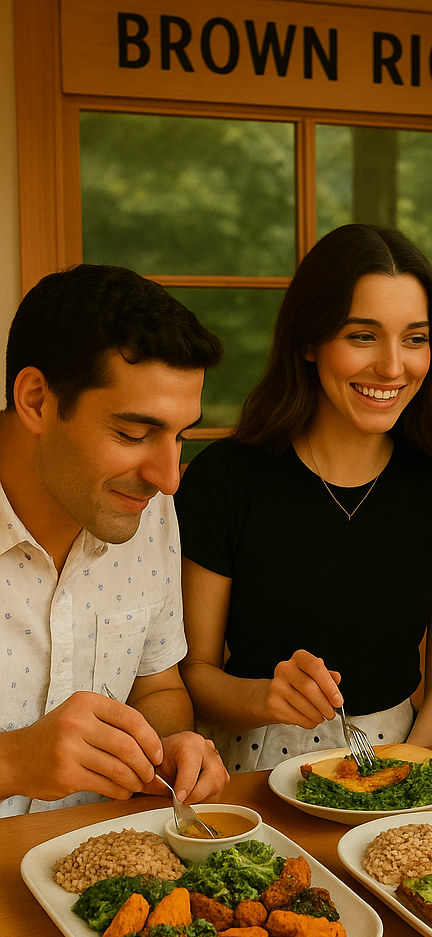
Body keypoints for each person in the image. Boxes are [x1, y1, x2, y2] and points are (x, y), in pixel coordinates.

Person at [174, 224, 432, 773]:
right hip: (248, 763)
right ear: (308, 341)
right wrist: (264, 698)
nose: (393, 367)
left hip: (398, 756)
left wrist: (404, 777)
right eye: (362, 336)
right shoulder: (225, 480)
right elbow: (194, 673)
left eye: (415, 338)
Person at [0, 263, 230, 817]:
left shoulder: (149, 508)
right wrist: (12, 761)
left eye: (179, 436)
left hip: (101, 874)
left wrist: (169, 749)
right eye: (133, 433)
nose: (170, 477)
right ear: (36, 400)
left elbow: (157, 687)